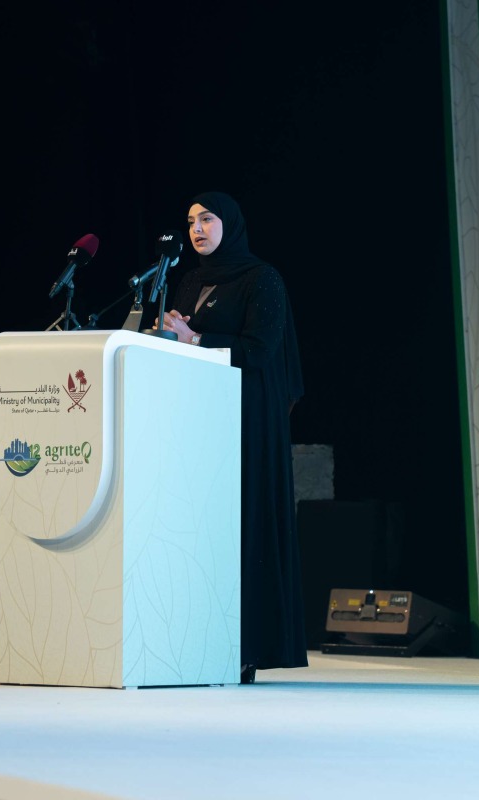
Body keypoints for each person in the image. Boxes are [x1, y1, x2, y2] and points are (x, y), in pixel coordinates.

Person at [157, 191, 307, 684]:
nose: (197, 229)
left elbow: (260, 350)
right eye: (190, 221)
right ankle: (194, 640)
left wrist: (194, 339)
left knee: (243, 527)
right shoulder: (186, 281)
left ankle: (245, 647)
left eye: (207, 219)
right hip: (199, 422)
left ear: (231, 224)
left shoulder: (261, 278)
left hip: (247, 421)